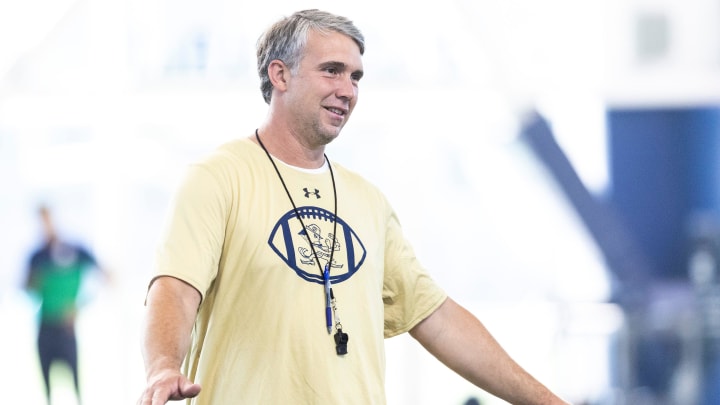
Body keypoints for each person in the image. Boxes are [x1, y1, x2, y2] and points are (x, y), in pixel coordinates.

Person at [137, 9, 570, 405]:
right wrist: (162, 367)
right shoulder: (219, 177)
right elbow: (175, 288)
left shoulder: (367, 200)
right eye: (332, 71)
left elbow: (437, 318)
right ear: (280, 75)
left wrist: (549, 402)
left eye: (356, 77)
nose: (348, 91)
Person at [24, 205, 105, 405]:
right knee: (47, 387)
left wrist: (79, 305)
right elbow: (26, 287)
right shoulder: (37, 256)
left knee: (76, 384)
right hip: (45, 325)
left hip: (66, 328)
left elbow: (104, 276)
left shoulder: (76, 251)